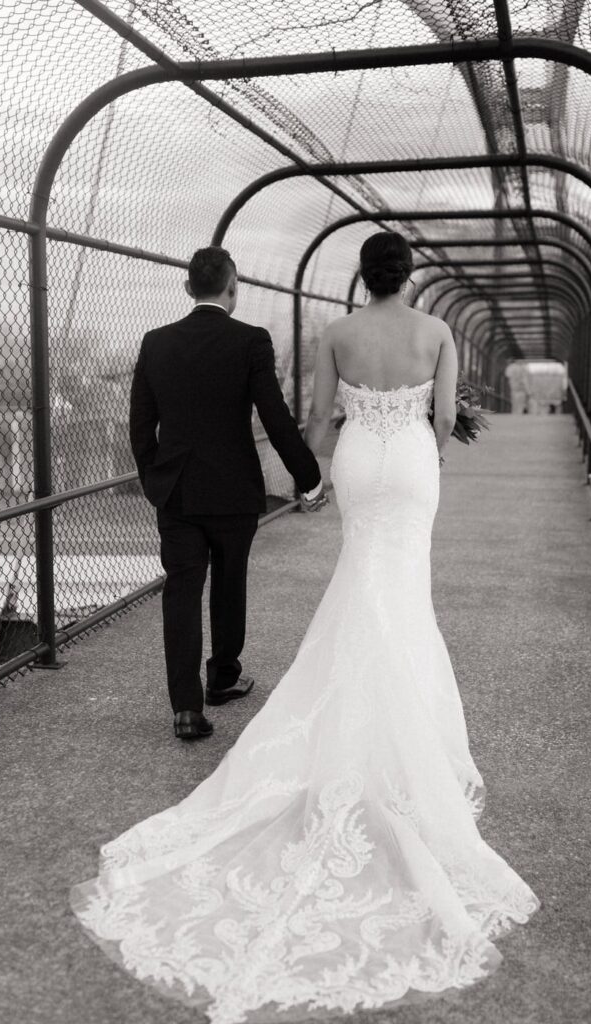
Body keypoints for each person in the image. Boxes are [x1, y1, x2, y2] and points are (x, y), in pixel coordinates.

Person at [73, 232, 538, 1022]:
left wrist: (317, 473)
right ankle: (406, 732)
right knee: (403, 592)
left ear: (362, 277)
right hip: (413, 470)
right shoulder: (437, 332)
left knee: (360, 581)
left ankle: (288, 712)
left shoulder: (337, 334)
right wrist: (421, 448)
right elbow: (445, 412)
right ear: (411, 276)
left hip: (357, 461)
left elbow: (320, 416)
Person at [128, 246, 326, 741]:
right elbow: (276, 419)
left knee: (181, 593)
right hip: (235, 489)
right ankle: (221, 679)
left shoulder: (156, 342)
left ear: (188, 288)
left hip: (175, 492)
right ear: (233, 287)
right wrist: (309, 478)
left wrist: (156, 478)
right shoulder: (251, 342)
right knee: (229, 583)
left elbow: (139, 427)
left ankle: (186, 710)